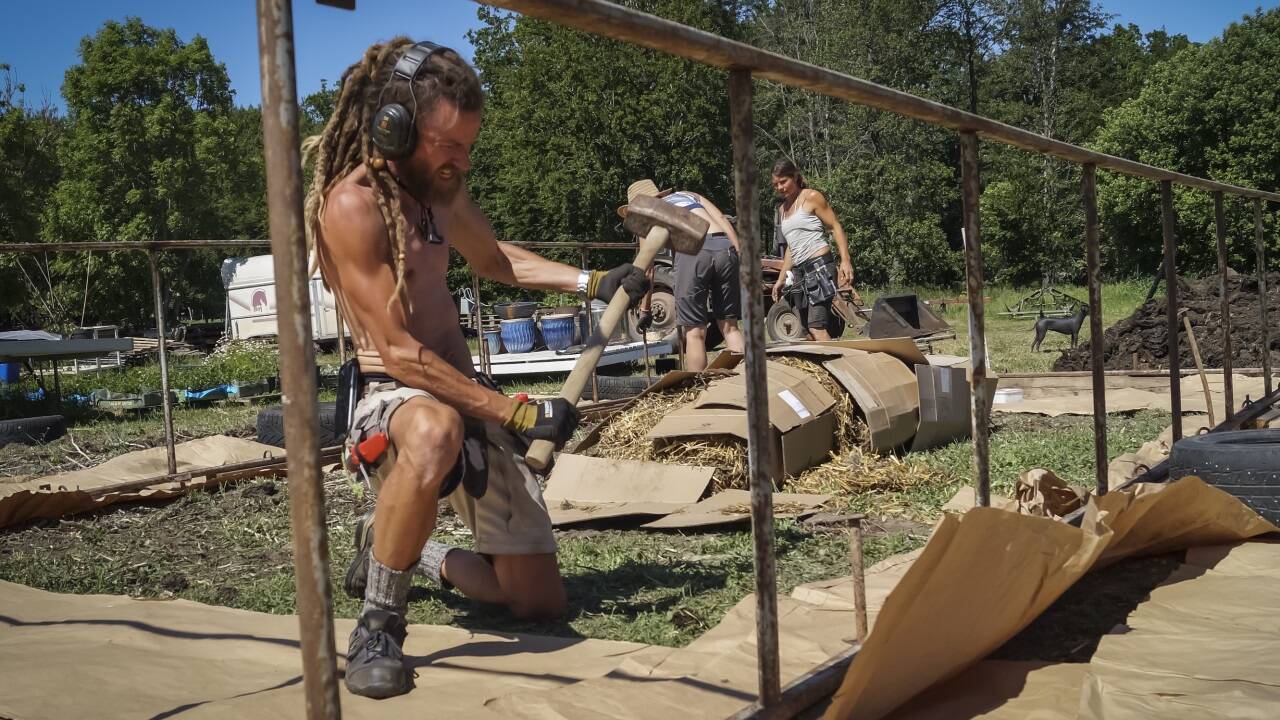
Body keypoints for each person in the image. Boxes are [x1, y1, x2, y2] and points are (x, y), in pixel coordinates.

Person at [303, 39, 649, 699]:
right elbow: (400, 352)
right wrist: (516, 412)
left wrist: (593, 280)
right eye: (446, 145)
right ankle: (378, 623)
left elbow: (495, 260)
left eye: (468, 146)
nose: (460, 162)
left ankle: (399, 547)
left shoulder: (441, 189)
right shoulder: (352, 206)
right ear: (394, 126)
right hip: (393, 398)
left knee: (537, 603)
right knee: (435, 433)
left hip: (465, 397)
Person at [620, 179, 744, 371]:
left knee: (694, 332)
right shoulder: (689, 194)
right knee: (730, 326)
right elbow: (721, 218)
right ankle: (744, 384)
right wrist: (736, 253)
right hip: (724, 246)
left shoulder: (645, 214)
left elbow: (648, 268)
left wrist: (645, 308)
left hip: (695, 251)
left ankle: (696, 391)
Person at [769, 158, 860, 340]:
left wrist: (845, 260)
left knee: (816, 327)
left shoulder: (811, 197)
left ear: (794, 177)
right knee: (804, 330)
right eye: (775, 184)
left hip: (819, 267)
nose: (780, 187)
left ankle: (839, 366)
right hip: (799, 271)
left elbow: (835, 227)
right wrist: (780, 280)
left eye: (783, 182)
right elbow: (791, 248)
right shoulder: (782, 209)